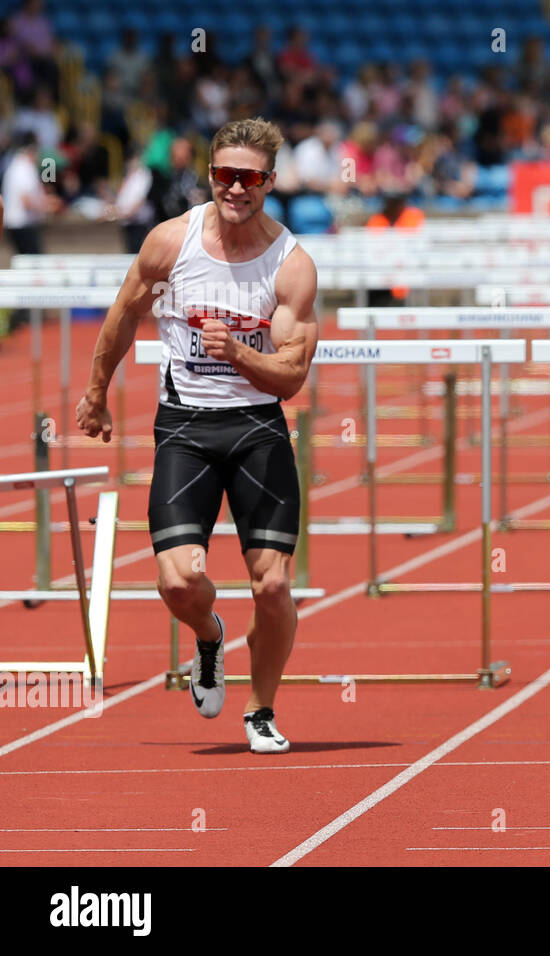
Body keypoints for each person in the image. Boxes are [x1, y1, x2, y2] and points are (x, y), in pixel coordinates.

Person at [74, 117, 319, 754]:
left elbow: (291, 376)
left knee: (272, 587)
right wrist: (97, 392)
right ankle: (209, 637)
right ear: (209, 174)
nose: (235, 188)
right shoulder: (169, 244)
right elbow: (124, 315)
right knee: (177, 583)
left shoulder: (290, 265)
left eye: (250, 178)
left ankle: (261, 710)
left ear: (269, 182)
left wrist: (239, 352)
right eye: (224, 175)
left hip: (257, 430)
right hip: (184, 429)